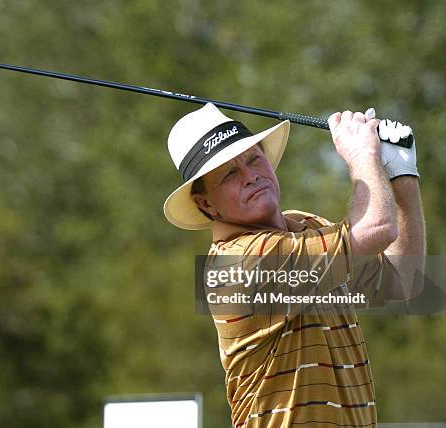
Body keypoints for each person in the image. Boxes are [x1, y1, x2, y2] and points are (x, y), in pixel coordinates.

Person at [163, 103, 425, 427]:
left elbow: (403, 279)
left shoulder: (308, 225)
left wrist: (403, 177)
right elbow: (377, 228)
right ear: (206, 204)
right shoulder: (237, 264)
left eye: (253, 158)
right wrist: (362, 156)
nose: (251, 176)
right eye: (230, 174)